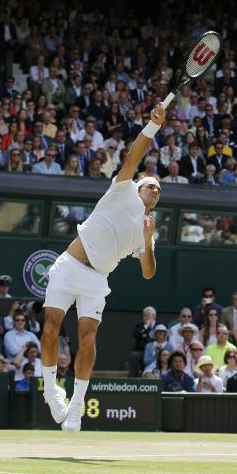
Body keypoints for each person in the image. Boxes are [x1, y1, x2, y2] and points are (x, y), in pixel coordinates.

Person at [40, 104, 166, 432]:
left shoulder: (147, 228)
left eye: (159, 190)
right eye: (151, 185)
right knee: (51, 325)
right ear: (138, 187)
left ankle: (78, 403)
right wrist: (151, 128)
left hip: (97, 280)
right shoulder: (121, 189)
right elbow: (132, 158)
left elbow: (149, 272)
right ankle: (52, 392)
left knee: (88, 337)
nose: (155, 190)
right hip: (69, 266)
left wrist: (149, 241)